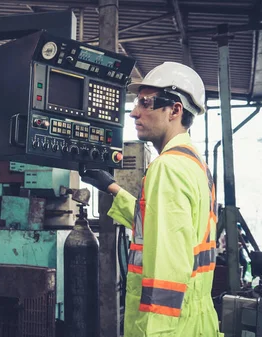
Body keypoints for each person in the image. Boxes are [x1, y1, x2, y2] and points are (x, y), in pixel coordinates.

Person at [82, 62, 222, 336]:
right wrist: (111, 187)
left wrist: (157, 333)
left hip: (168, 326)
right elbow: (162, 226)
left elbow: (167, 268)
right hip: (196, 319)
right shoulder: (194, 164)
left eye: (146, 103)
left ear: (175, 110)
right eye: (137, 103)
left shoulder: (167, 167)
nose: (134, 112)